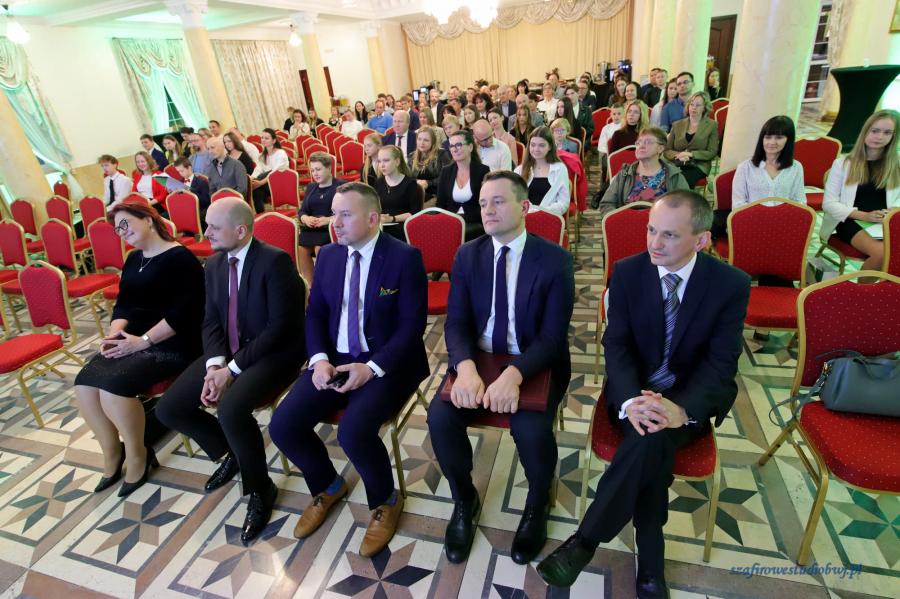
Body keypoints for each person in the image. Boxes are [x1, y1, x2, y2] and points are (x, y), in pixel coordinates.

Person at [537, 192, 751, 596]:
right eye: (652, 230)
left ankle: (585, 541)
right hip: (634, 393)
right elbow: (616, 345)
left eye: (669, 235)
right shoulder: (628, 272)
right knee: (651, 440)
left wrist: (680, 409)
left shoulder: (730, 284)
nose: (655, 243)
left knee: (651, 439)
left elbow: (721, 363)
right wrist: (633, 400)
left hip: (688, 398)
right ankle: (650, 558)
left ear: (701, 240)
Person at [269, 181, 428, 557]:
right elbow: (316, 314)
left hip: (387, 361)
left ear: (373, 219)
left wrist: (372, 368)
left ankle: (385, 500)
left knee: (354, 431)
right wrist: (319, 359)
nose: (335, 223)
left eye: (344, 215)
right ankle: (327, 484)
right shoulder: (329, 255)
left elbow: (411, 327)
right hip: (335, 358)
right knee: (283, 425)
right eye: (333, 214)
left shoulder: (404, 257)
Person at [428, 170, 574, 565]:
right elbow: (456, 323)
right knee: (440, 418)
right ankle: (464, 498)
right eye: (483, 203)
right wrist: (465, 369)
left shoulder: (554, 260)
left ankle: (537, 503)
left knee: (532, 430)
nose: (488, 210)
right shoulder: (468, 254)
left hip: (534, 362)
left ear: (523, 206)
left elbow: (552, 337)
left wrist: (514, 375)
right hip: (479, 358)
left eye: (498, 201)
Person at [156, 197, 306, 545]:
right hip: (230, 353)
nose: (205, 232)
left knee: (231, 409)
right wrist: (215, 364)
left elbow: (280, 328)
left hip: (275, 353)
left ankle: (260, 488)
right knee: (169, 408)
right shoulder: (214, 264)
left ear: (241, 230)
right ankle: (236, 453)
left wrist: (233, 369)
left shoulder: (275, 262)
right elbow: (210, 320)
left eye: (214, 227)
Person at [74, 203, 204, 497]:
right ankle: (112, 452)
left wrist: (141, 341)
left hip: (175, 341)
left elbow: (185, 314)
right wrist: (115, 334)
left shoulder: (180, 258)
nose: (122, 232)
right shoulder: (134, 259)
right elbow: (125, 303)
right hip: (134, 337)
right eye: (117, 229)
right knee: (84, 384)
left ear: (148, 219)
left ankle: (138, 454)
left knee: (113, 388)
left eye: (126, 223)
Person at [821, 109, 900, 271]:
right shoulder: (842, 164)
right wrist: (865, 215)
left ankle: (889, 286)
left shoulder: (896, 164)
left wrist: (893, 211)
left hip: (885, 222)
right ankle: (866, 288)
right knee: (882, 254)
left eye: (887, 133)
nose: (879, 137)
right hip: (849, 220)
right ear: (865, 131)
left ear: (894, 136)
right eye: (875, 131)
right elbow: (828, 204)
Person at [599, 127, 690, 217]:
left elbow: (687, 208)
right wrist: (620, 220)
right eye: (638, 142)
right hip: (628, 224)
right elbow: (606, 204)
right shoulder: (624, 174)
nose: (641, 146)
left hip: (663, 225)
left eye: (648, 142)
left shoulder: (674, 176)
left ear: (660, 148)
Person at [731, 116, 806, 211]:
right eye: (768, 137)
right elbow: (738, 204)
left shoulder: (796, 167)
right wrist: (766, 216)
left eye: (779, 137)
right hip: (752, 218)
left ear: (789, 140)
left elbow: (800, 202)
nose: (772, 142)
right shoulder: (745, 167)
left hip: (784, 218)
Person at [299, 152, 346, 285]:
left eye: (318, 169)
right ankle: (312, 286)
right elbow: (302, 210)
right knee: (301, 249)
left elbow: (347, 211)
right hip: (311, 229)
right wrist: (305, 218)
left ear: (329, 168)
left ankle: (326, 285)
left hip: (331, 229)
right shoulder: (311, 187)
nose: (315, 173)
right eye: (312, 170)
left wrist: (329, 220)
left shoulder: (341, 186)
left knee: (319, 249)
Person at [437, 130, 491, 241]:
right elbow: (440, 204)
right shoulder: (446, 171)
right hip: (450, 221)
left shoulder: (483, 171)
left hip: (475, 223)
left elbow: (486, 203)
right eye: (452, 146)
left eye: (458, 145)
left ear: (470, 147)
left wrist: (464, 218)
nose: (454, 149)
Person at [663, 91, 719, 188]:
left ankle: (682, 198)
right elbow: (667, 150)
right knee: (664, 178)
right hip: (677, 162)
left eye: (698, 105)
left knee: (682, 179)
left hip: (699, 165)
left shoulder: (712, 125)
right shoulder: (677, 124)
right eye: (692, 104)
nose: (694, 107)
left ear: (704, 108)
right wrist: (679, 155)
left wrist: (691, 154)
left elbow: (712, 152)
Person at [514, 127, 570, 216]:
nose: (536, 149)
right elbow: (515, 199)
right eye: (533, 145)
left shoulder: (560, 169)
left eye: (541, 145)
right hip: (525, 218)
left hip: (550, 217)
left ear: (550, 147)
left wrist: (541, 212)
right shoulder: (519, 170)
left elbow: (563, 203)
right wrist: (531, 213)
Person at [374, 145, 421, 241]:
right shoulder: (379, 182)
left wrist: (393, 218)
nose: (382, 165)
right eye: (379, 161)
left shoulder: (410, 183)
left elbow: (415, 213)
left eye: (386, 160)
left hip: (403, 227)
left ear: (397, 162)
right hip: (381, 226)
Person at [249, 128, 289, 213]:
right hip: (266, 184)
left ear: (274, 140)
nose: (263, 140)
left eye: (266, 138)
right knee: (256, 190)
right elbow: (258, 169)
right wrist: (251, 178)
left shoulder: (281, 153)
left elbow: (275, 172)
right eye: (262, 137)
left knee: (263, 177)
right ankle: (261, 214)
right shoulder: (262, 156)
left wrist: (260, 182)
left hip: (280, 182)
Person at [408, 127, 451, 201]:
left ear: (433, 142)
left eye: (426, 140)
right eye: (419, 139)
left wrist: (428, 183)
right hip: (416, 195)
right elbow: (407, 177)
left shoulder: (441, 154)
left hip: (437, 195)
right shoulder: (412, 156)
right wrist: (417, 182)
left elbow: (447, 177)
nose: (422, 143)